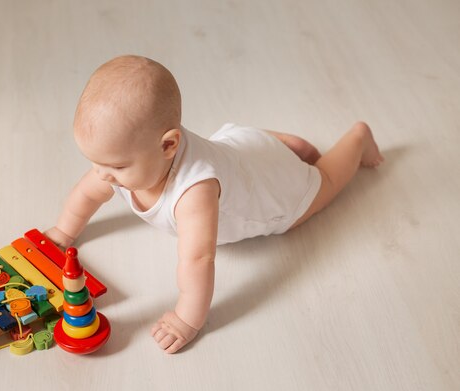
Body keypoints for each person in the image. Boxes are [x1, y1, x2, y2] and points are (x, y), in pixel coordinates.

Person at [45, 55, 384, 354]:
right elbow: (86, 194)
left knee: (325, 181)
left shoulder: (195, 191)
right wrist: (63, 231)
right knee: (247, 151)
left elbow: (198, 259)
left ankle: (356, 139)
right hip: (240, 149)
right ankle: (282, 144)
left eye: (116, 167)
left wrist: (186, 319)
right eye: (95, 162)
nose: (103, 175)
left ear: (168, 146)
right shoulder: (126, 159)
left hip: (274, 191)